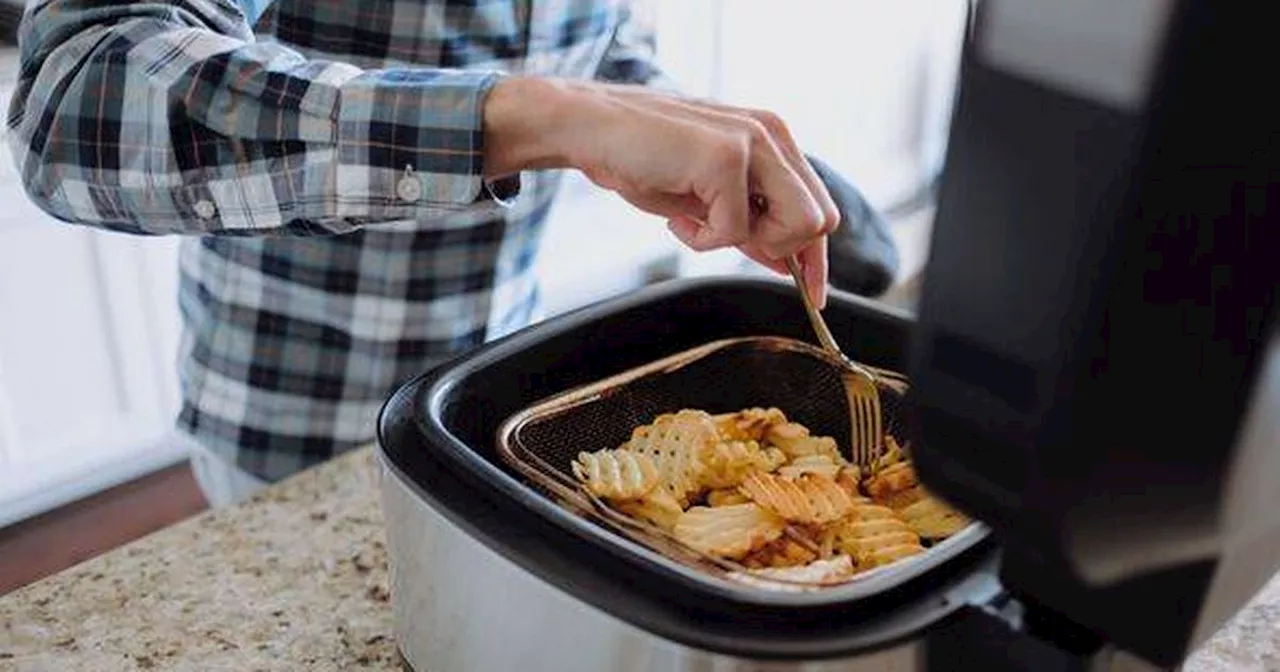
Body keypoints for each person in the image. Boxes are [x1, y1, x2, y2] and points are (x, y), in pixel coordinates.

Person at [7, 0, 863, 507]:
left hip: (497, 402)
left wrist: (682, 128)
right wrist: (534, 118)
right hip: (296, 430)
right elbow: (72, 104)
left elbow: (599, 46)